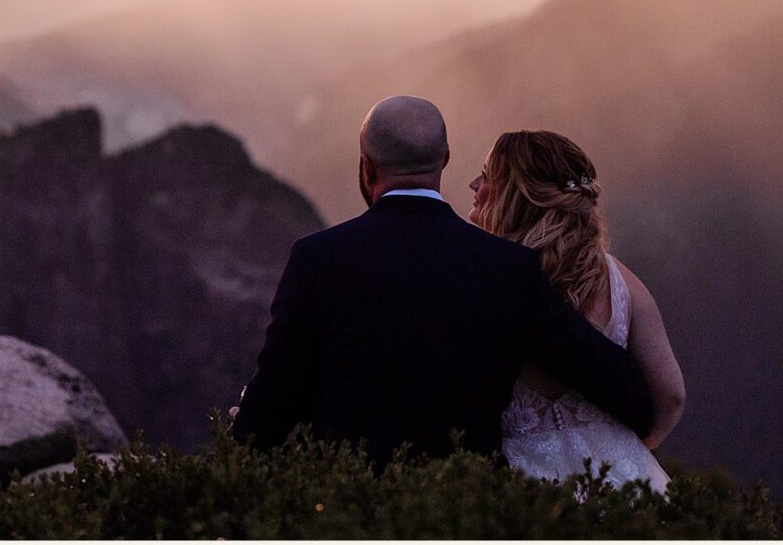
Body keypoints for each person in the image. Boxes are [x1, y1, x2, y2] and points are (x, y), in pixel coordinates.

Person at [232, 96, 653, 467]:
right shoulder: (510, 266)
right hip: (469, 505)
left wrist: (241, 440)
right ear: (445, 159)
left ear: (366, 166)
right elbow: (618, 385)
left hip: (352, 502)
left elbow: (277, 394)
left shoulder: (318, 257)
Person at [469, 130, 684, 492]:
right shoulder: (621, 282)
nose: (474, 185)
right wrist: (622, 449)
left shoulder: (489, 280)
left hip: (524, 489)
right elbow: (672, 396)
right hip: (622, 483)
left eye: (487, 176)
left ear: (517, 195)